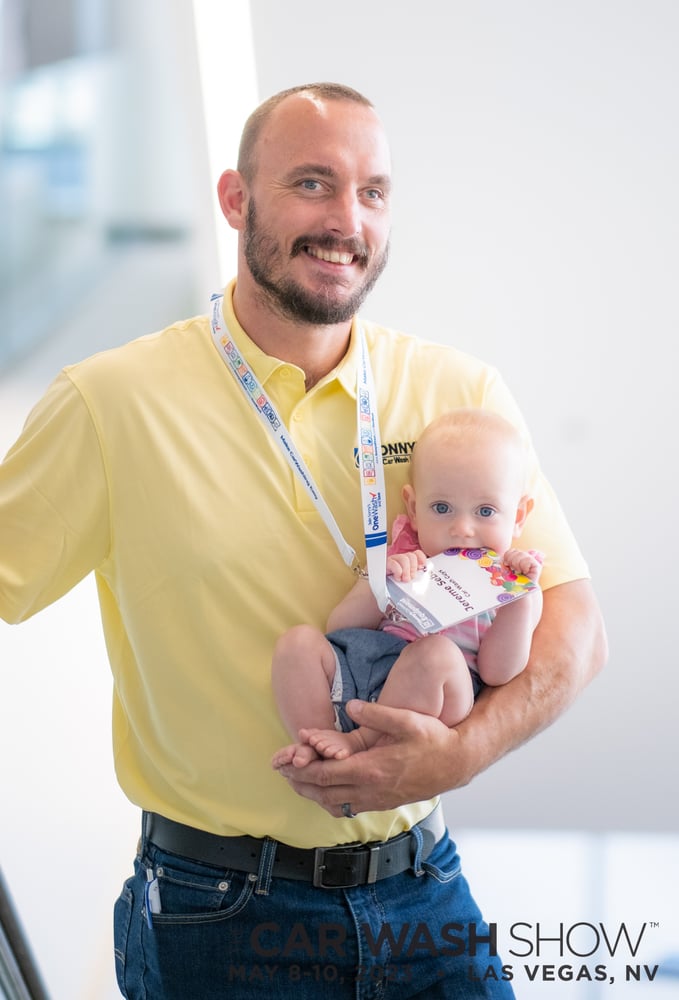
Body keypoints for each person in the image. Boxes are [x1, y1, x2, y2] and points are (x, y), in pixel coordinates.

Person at [0, 82, 607, 999]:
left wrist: (462, 752)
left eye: (372, 192)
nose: (345, 221)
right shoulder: (111, 402)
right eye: (312, 184)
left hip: (424, 889)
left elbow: (575, 631)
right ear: (236, 200)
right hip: (215, 913)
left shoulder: (459, 393)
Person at [272, 408, 544, 766]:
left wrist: (516, 601)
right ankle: (314, 740)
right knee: (297, 643)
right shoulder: (406, 555)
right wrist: (379, 582)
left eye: (486, 511)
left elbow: (497, 672)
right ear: (414, 508)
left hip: (436, 689)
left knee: (435, 653)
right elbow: (339, 627)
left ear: (519, 516)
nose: (462, 528)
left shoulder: (516, 580)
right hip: (364, 668)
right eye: (442, 507)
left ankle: (361, 740)